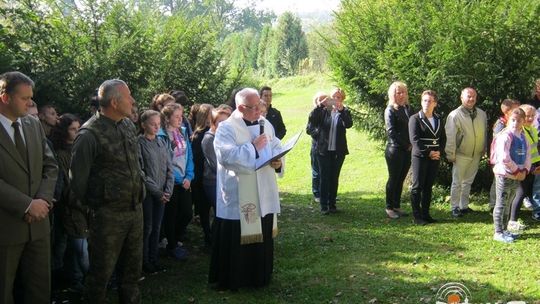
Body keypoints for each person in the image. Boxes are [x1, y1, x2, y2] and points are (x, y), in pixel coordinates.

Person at [70, 79, 144, 303]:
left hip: (134, 210)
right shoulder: (89, 134)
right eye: (128, 96)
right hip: (107, 216)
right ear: (114, 102)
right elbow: (77, 182)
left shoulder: (127, 125)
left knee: (132, 273)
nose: (132, 101)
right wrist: (95, 211)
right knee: (100, 275)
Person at [209, 88, 283, 290]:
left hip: (264, 189)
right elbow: (227, 157)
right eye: (254, 107)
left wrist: (278, 161)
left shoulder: (264, 123)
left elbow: (276, 145)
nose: (260, 110)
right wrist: (253, 147)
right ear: (241, 107)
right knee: (240, 234)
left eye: (260, 105)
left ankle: (260, 276)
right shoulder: (226, 128)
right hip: (239, 194)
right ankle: (237, 278)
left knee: (262, 231)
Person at [0, 71, 58, 304]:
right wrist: (26, 205)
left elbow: (50, 165)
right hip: (6, 228)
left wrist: (42, 200)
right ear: (5, 97)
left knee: (39, 290)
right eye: (25, 98)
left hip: (39, 225)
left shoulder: (33, 125)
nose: (31, 103)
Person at [49, 113, 88, 294]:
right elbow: (65, 185)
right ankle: (75, 280)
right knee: (74, 248)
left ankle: (79, 279)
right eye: (73, 129)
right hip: (71, 207)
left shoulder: (81, 148)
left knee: (80, 246)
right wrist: (81, 202)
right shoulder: (60, 154)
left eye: (79, 128)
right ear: (64, 131)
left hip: (87, 205)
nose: (77, 132)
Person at [138, 110, 173, 275]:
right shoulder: (139, 143)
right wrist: (158, 192)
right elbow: (141, 172)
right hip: (149, 194)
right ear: (143, 124)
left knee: (157, 227)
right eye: (153, 124)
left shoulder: (161, 142)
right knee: (148, 227)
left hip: (162, 193)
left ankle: (154, 259)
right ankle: (144, 261)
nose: (156, 127)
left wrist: (168, 190)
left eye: (158, 124)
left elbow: (169, 168)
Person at [308, 88, 353, 214]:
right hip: (324, 150)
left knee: (334, 177)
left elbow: (349, 124)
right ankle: (324, 205)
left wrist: (342, 111)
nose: (336, 100)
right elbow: (311, 120)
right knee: (324, 177)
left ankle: (332, 204)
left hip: (338, 150)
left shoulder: (344, 111)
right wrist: (319, 106)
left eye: (339, 97)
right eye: (334, 97)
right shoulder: (322, 111)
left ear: (342, 99)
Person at [444, 87, 487, 217]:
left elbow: (484, 133)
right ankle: (454, 207)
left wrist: (484, 148)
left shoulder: (481, 114)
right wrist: (450, 154)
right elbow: (450, 136)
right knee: (457, 182)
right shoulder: (454, 115)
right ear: (461, 97)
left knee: (468, 181)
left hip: (476, 154)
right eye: (468, 96)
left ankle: (464, 206)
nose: (471, 99)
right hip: (460, 154)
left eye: (473, 96)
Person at [158, 103, 193, 260]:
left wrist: (189, 176)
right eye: (177, 116)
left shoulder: (183, 132)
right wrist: (179, 178)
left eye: (181, 116)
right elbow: (164, 161)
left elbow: (189, 155)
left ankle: (175, 239)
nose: (181, 119)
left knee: (186, 213)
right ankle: (171, 246)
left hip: (185, 181)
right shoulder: (162, 135)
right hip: (170, 182)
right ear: (167, 118)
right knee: (171, 215)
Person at [490, 108, 530, 243]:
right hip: (505, 174)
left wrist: (525, 170)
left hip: (517, 176)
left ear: (523, 121)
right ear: (508, 120)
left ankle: (505, 229)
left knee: (508, 203)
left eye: (519, 120)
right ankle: (498, 232)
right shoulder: (505, 136)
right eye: (513, 120)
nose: (515, 123)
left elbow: (528, 156)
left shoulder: (523, 137)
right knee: (501, 203)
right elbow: (504, 157)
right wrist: (516, 171)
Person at [408, 90, 445, 225]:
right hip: (420, 156)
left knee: (428, 186)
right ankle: (417, 216)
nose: (426, 103)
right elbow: (415, 140)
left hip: (434, 157)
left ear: (435, 103)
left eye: (430, 101)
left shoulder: (439, 119)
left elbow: (443, 138)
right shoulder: (415, 118)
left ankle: (426, 214)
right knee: (417, 186)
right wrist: (428, 152)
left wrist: (439, 151)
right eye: (424, 100)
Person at [507, 104, 540, 231]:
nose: (530, 118)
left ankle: (513, 219)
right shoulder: (519, 131)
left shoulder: (532, 129)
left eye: (532, 116)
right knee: (520, 193)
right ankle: (512, 220)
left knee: (525, 192)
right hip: (524, 167)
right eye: (527, 116)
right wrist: (525, 168)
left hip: (534, 165)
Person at [384, 81, 412, 219]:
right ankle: (389, 207)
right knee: (393, 178)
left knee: (401, 178)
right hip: (394, 149)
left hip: (407, 150)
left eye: (404, 92)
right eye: (398, 92)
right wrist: (406, 144)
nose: (401, 95)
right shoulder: (390, 109)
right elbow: (391, 131)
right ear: (393, 94)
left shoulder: (407, 108)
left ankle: (396, 205)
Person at [488, 99, 520, 211]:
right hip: (500, 158)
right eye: (516, 109)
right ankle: (493, 204)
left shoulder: (513, 122)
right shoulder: (501, 124)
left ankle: (506, 203)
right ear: (508, 111)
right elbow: (499, 142)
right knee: (497, 180)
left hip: (511, 157)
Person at [190, 103, 214, 246]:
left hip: (207, 176)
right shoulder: (199, 135)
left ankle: (212, 235)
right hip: (201, 177)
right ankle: (208, 236)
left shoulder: (211, 131)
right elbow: (198, 159)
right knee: (204, 210)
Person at [201, 108, 231, 218]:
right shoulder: (209, 138)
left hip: (224, 179)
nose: (224, 125)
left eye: (226, 122)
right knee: (220, 213)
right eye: (220, 122)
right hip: (213, 181)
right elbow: (215, 164)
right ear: (213, 123)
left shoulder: (225, 136)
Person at [306, 92, 328, 203]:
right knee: (316, 171)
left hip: (328, 147)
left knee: (327, 171)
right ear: (316, 102)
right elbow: (309, 129)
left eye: (326, 100)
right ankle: (317, 193)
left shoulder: (330, 112)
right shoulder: (314, 113)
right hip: (317, 146)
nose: (324, 102)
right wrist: (319, 134)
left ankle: (327, 192)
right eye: (321, 100)